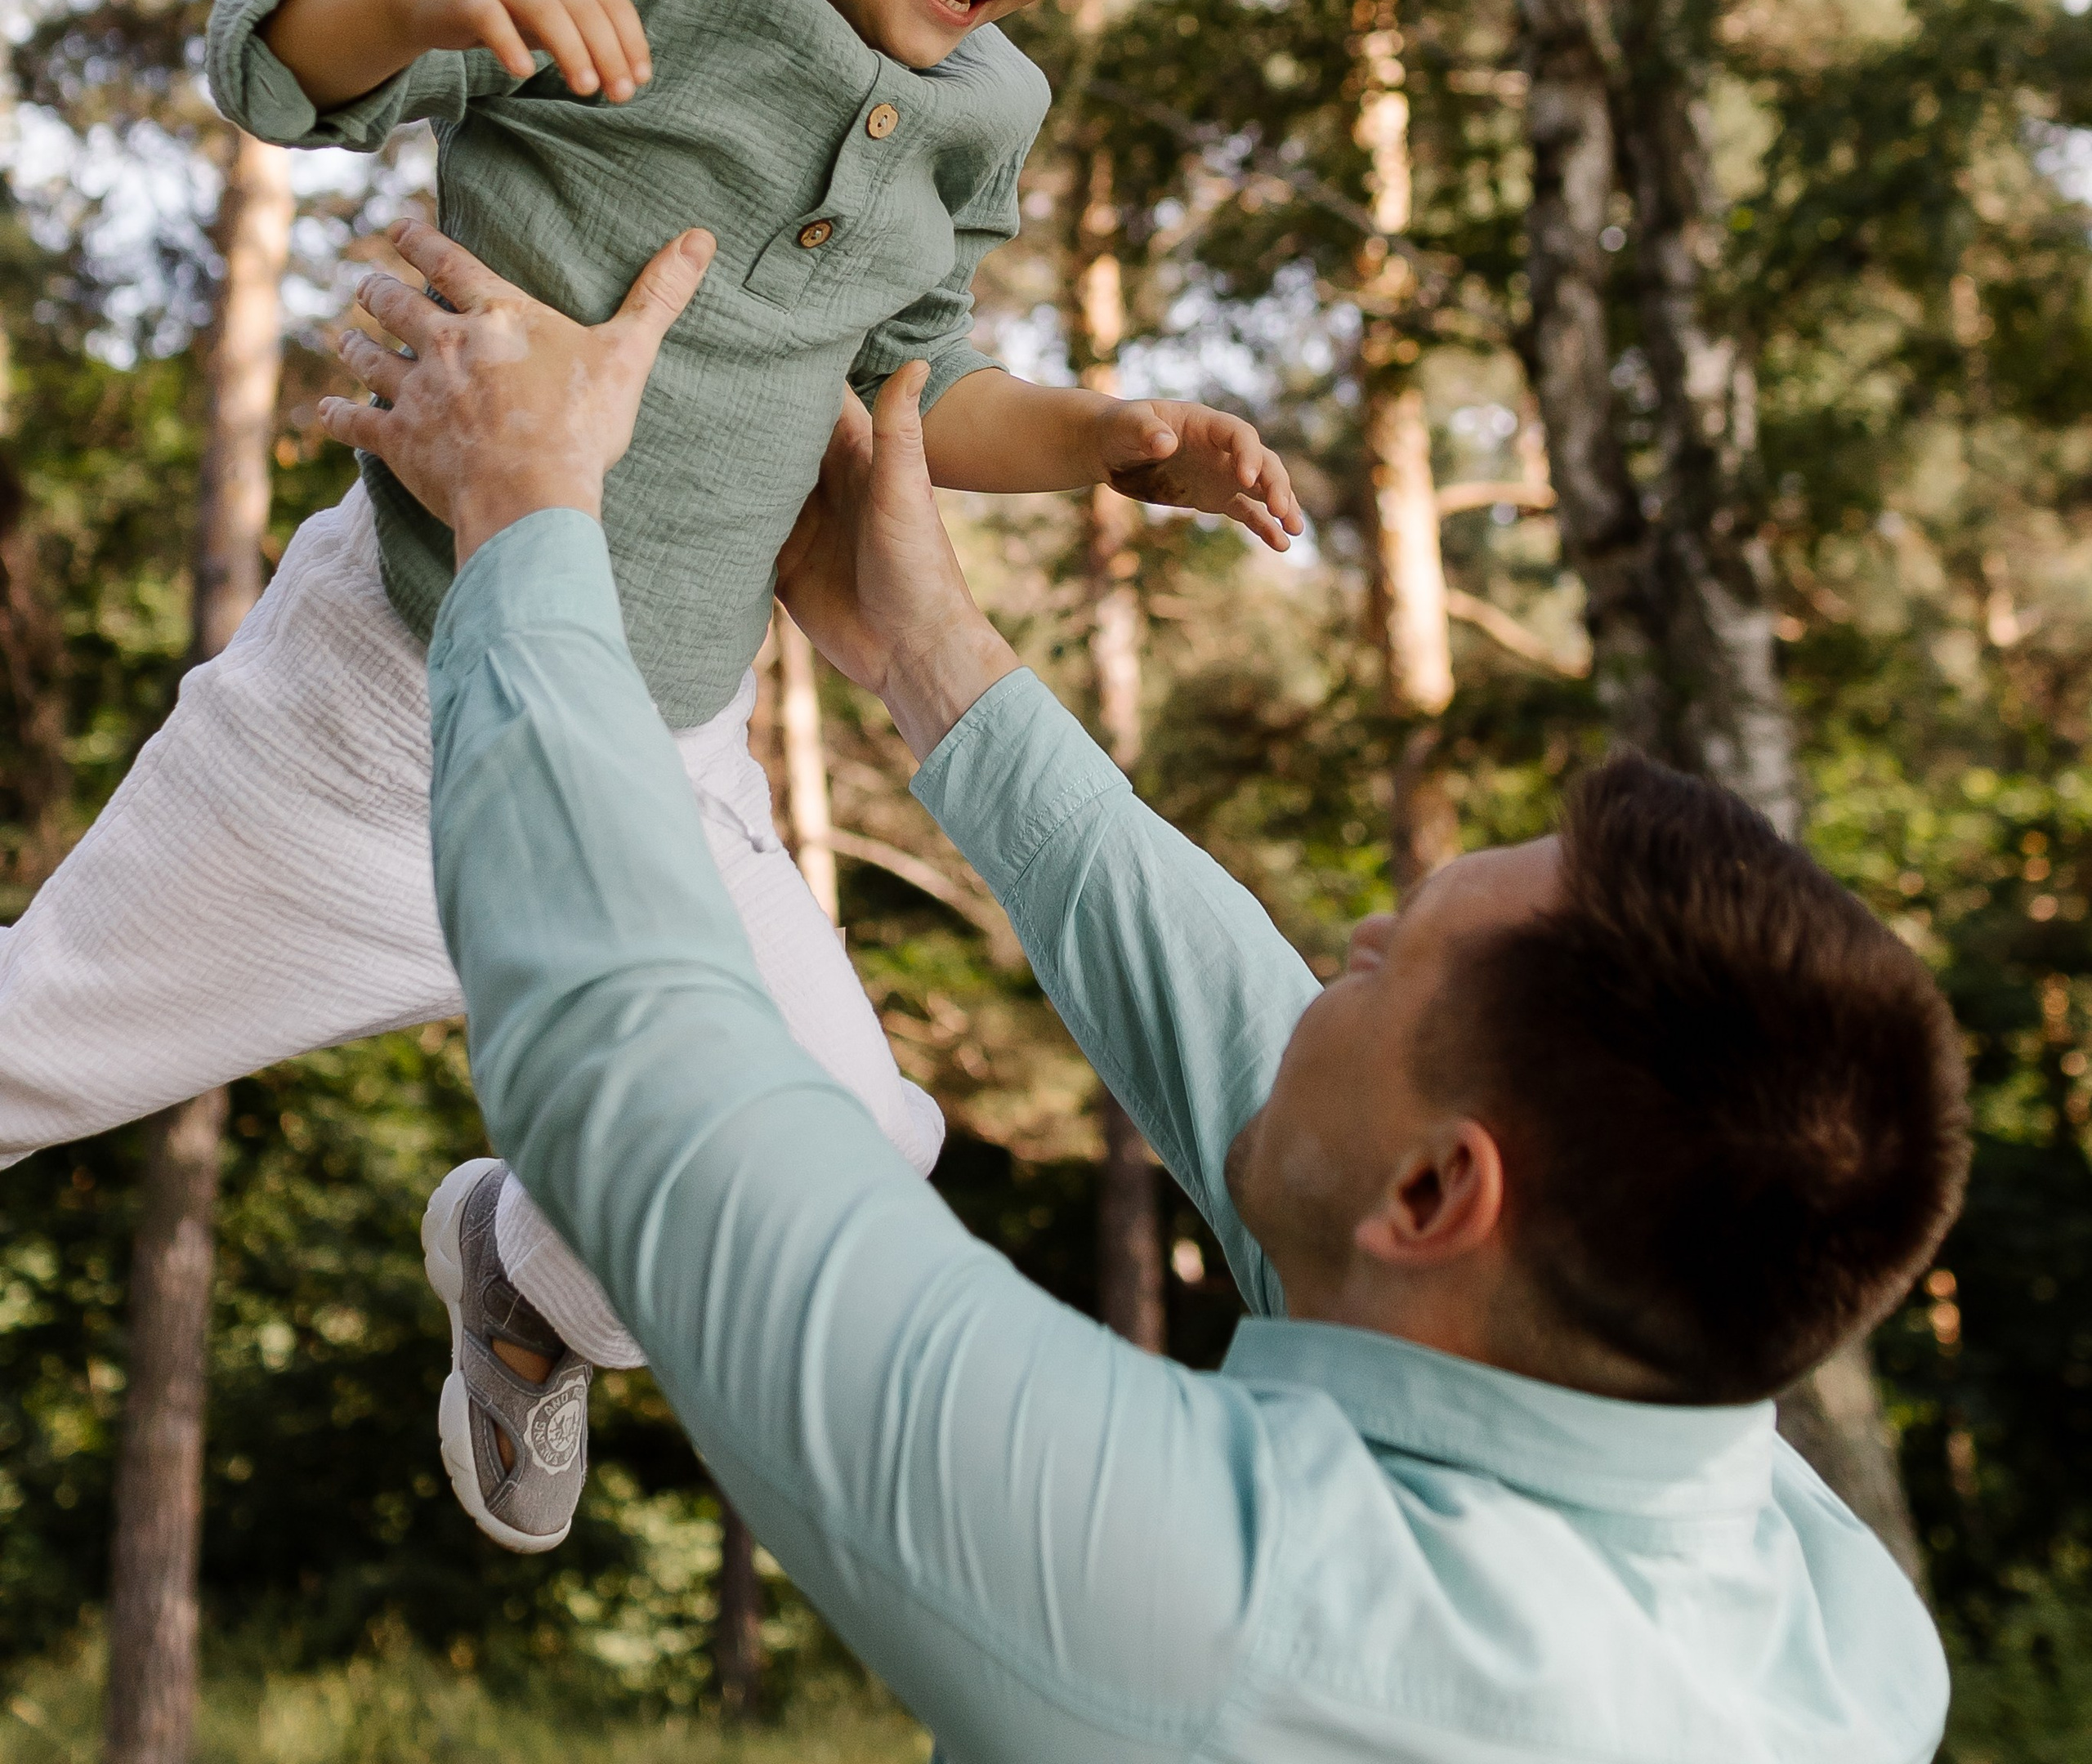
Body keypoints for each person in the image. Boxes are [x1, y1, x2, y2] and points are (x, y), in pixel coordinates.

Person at [0, 0, 1302, 1554]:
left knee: (853, 1146)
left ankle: (525, 1276)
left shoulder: (973, 121)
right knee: (33, 1049)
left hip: (665, 760)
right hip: (379, 719)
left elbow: (901, 409)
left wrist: (1102, 439)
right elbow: (268, 50)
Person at [330, 212, 1967, 1764]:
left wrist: (524, 514)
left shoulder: (1241, 1623)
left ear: (1432, 1191)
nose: (1323, 969)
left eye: (1373, 969)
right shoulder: (1817, 1609)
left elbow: (648, 1086)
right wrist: (924, 651)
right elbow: (1222, 1016)